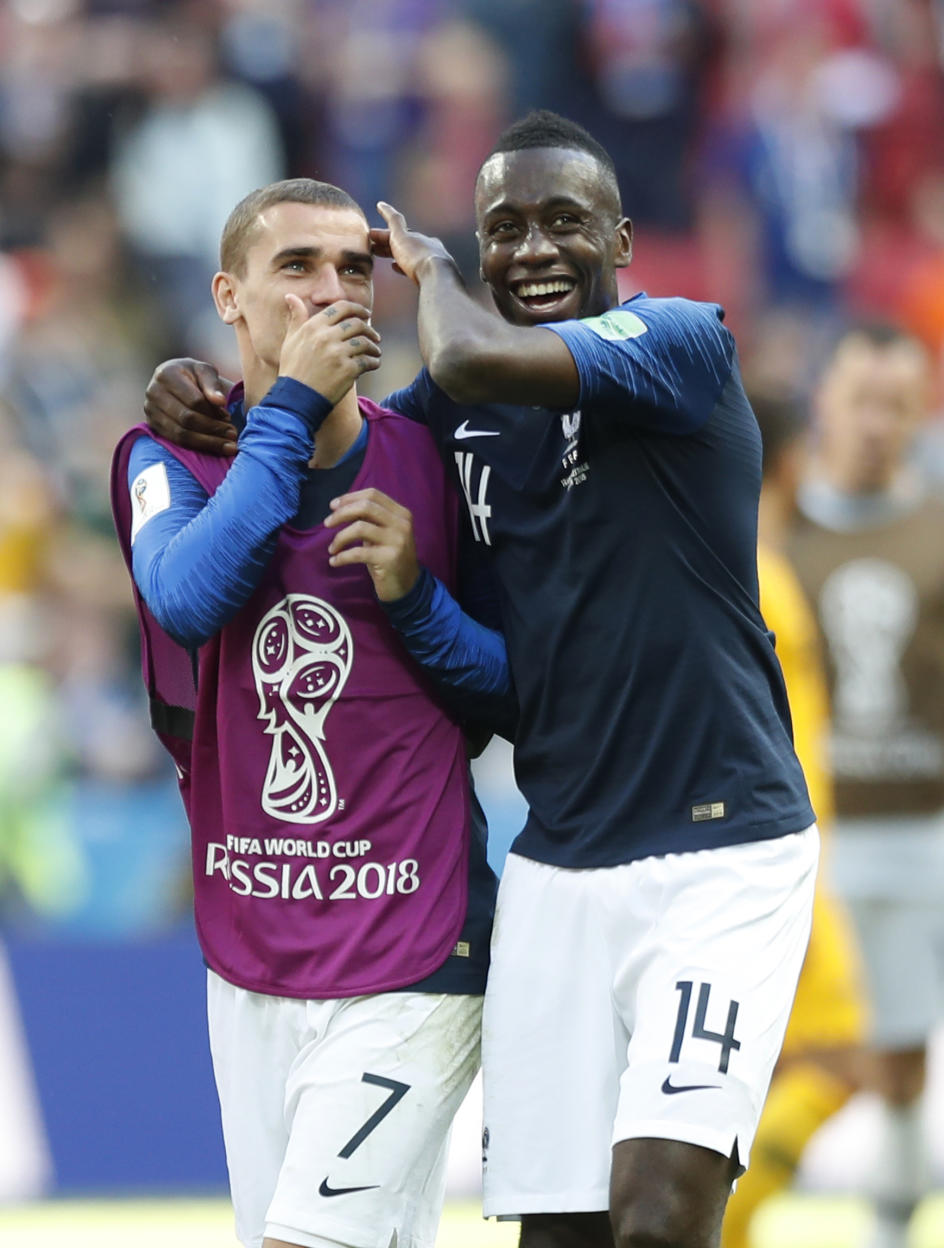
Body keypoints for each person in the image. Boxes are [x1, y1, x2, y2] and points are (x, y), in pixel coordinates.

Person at [143, 111, 818, 1248]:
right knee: (555, 1235)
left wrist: (441, 266)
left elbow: (459, 353)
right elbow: (338, 460)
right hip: (554, 864)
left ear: (623, 236)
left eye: (564, 222)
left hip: (720, 853)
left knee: (656, 1219)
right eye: (504, 228)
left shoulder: (680, 340)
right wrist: (199, 402)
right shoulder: (454, 424)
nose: (534, 249)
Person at [111, 177, 508, 1248]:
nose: (334, 291)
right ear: (229, 298)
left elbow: (511, 692)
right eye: (296, 267)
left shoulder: (436, 456)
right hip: (254, 951)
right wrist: (285, 411)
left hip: (417, 942)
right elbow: (188, 597)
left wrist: (417, 599)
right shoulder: (167, 455)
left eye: (354, 268)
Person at [788, 323, 944, 1248]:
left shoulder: (937, 526)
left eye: (899, 404)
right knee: (832, 1049)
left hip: (923, 827)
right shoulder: (777, 530)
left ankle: (892, 1222)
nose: (878, 423)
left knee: (902, 1054)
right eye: (862, 401)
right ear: (825, 403)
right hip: (814, 833)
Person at [720, 392, 869, 1248]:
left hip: (775, 845)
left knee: (766, 1071)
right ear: (787, 462)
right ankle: (715, 1228)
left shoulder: (749, 562)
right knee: (842, 1055)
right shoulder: (762, 575)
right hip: (783, 851)